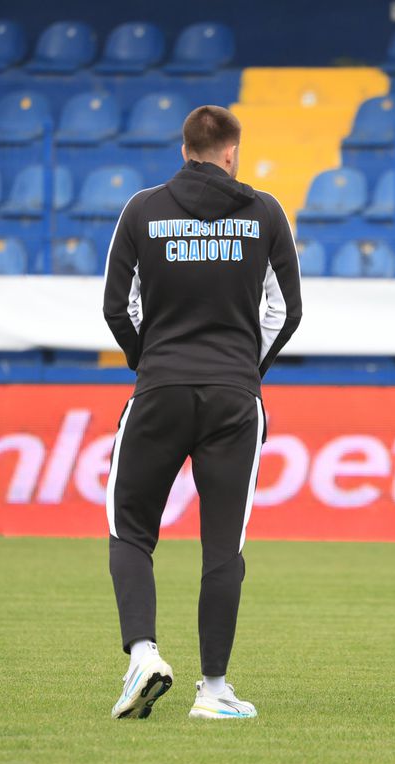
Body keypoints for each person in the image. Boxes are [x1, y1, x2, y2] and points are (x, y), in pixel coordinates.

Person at [102, 105, 302, 720]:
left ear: (184, 148)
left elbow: (117, 307)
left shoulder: (142, 210)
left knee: (131, 530)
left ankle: (143, 655)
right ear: (231, 153)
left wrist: (151, 363)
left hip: (159, 389)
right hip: (235, 399)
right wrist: (244, 370)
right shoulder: (266, 212)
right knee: (223, 548)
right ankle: (214, 691)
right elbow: (287, 311)